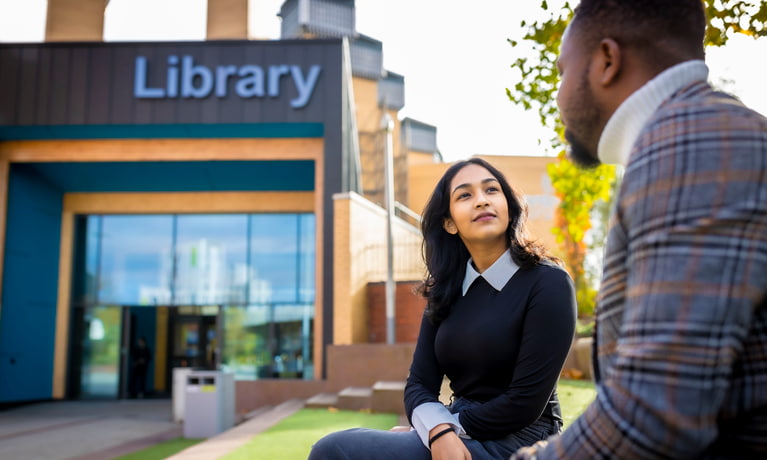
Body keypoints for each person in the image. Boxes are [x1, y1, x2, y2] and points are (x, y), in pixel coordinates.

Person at [511, 1, 767, 459]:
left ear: (607, 61)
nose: (558, 95)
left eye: (562, 72)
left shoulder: (689, 142)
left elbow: (652, 417)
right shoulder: (694, 131)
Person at [308, 157, 577, 459]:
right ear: (448, 223)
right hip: (456, 428)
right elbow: (419, 384)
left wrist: (442, 429)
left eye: (491, 190)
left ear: (508, 206)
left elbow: (525, 402)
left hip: (521, 438)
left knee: (336, 450)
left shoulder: (548, 282)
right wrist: (437, 430)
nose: (481, 201)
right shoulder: (447, 291)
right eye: (465, 195)